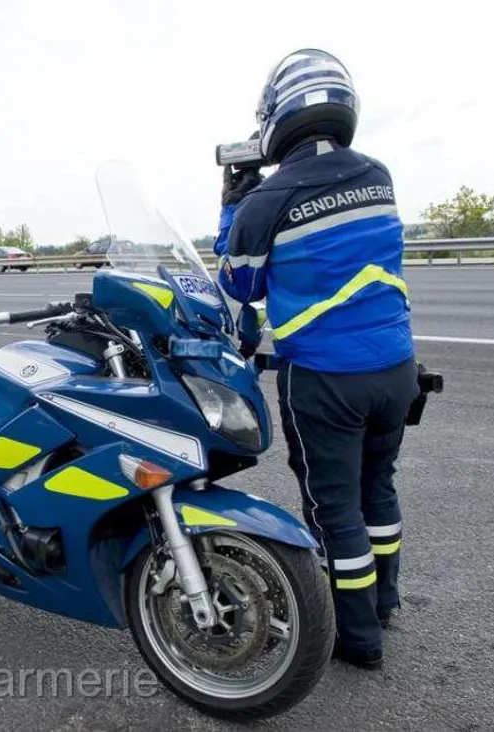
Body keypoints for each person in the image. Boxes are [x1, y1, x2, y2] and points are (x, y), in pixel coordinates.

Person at [212, 49, 419, 669]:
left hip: (327, 378)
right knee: (377, 487)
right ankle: (385, 601)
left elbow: (238, 282)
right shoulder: (378, 175)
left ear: (275, 117)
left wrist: (234, 204)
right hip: (396, 369)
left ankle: (358, 639)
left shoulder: (269, 197)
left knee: (335, 509)